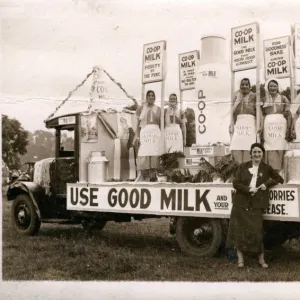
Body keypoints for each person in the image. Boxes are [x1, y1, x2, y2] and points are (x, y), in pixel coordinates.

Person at [226, 143, 283, 268]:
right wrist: (248, 189)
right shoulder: (242, 167)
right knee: (240, 232)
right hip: (240, 204)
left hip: (256, 205)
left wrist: (266, 184)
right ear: (250, 154)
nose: (257, 154)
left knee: (257, 232)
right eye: (254, 152)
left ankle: (261, 260)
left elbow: (279, 178)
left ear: (262, 154)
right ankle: (240, 260)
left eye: (259, 152)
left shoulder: (266, 168)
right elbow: (236, 183)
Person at [261, 78, 292, 173]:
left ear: (277, 87)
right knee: (269, 147)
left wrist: (289, 128)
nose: (273, 88)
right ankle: (269, 171)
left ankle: (279, 172)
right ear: (268, 87)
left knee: (280, 146)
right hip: (268, 126)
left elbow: (289, 114)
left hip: (280, 126)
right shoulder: (264, 99)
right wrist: (261, 128)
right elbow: (261, 115)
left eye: (274, 86)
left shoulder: (283, 98)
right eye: (271, 86)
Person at [230, 78, 263, 164]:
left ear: (250, 86)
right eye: (242, 84)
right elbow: (233, 114)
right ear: (240, 86)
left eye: (246, 84)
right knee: (236, 150)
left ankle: (247, 175)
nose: (244, 86)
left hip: (250, 126)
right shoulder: (236, 98)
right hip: (238, 126)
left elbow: (259, 112)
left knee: (248, 152)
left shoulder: (255, 96)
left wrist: (261, 126)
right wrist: (231, 125)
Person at [135, 90, 161, 181]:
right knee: (144, 153)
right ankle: (144, 177)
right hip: (145, 133)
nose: (151, 97)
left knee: (154, 154)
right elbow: (138, 125)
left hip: (155, 133)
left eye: (152, 95)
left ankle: (153, 177)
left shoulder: (158, 109)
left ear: (154, 98)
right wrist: (137, 137)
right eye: (149, 95)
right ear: (146, 97)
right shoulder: (141, 109)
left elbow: (161, 124)